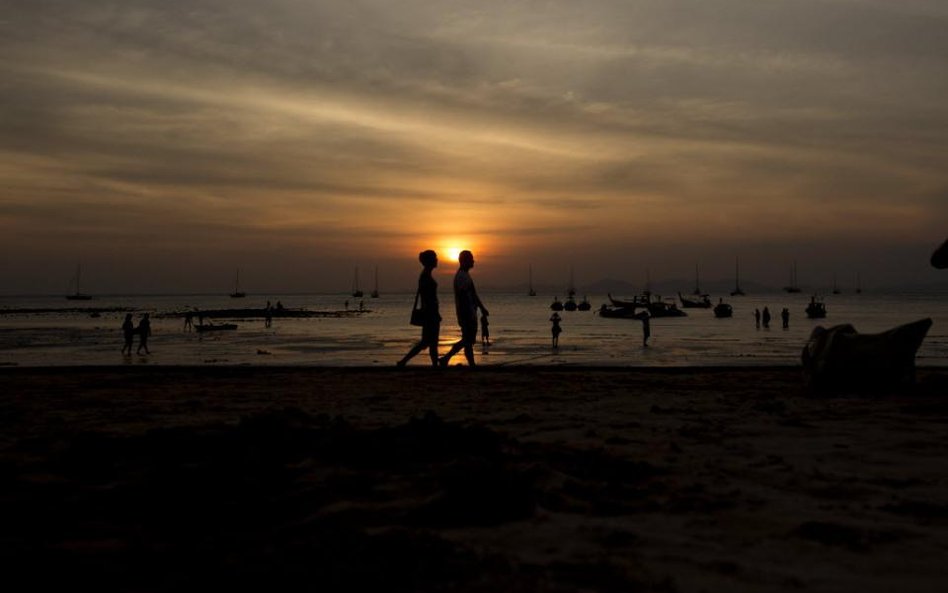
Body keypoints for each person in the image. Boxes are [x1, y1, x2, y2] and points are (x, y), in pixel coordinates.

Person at [439, 250, 489, 367]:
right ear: (465, 261)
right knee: (467, 340)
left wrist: (482, 308)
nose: (473, 261)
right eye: (471, 259)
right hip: (466, 314)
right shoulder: (461, 276)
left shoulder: (465, 275)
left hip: (470, 313)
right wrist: (468, 312)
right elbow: (463, 296)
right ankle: (450, 359)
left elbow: (473, 294)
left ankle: (455, 360)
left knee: (468, 340)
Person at [397, 250, 441, 367]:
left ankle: (405, 361)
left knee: (427, 342)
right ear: (429, 261)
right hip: (430, 313)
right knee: (430, 342)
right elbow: (426, 298)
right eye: (435, 258)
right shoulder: (425, 277)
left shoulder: (426, 275)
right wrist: (432, 313)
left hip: (430, 312)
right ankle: (433, 365)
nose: (437, 260)